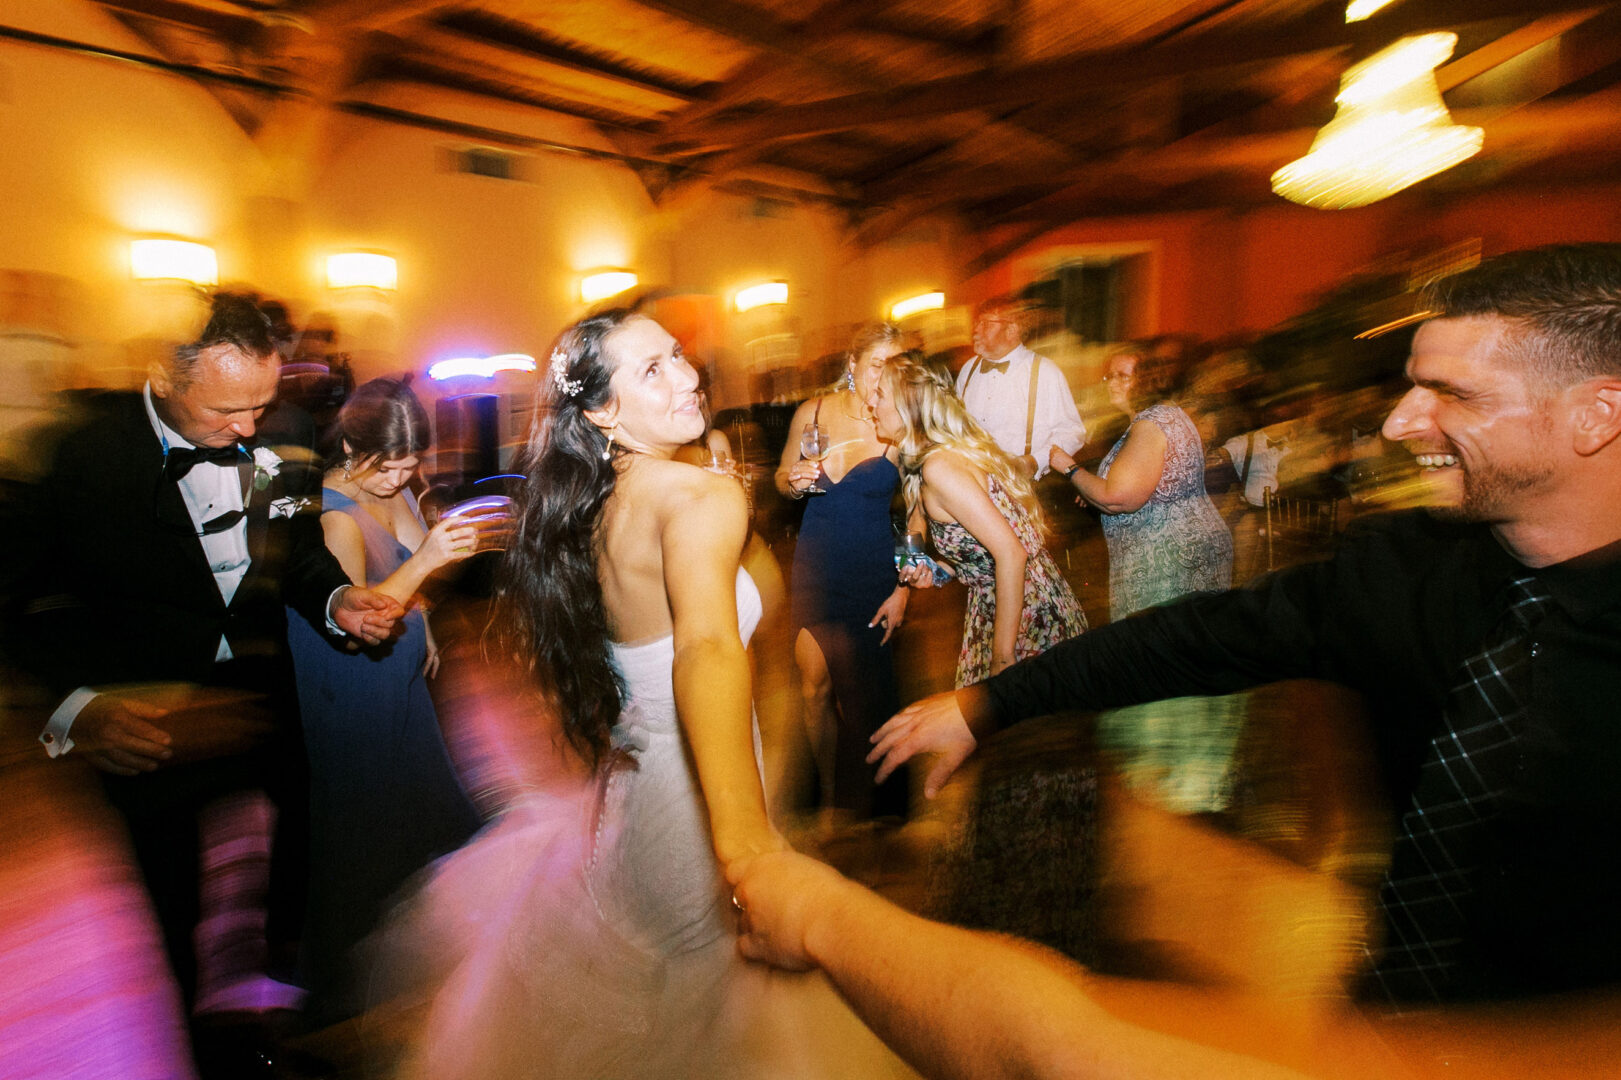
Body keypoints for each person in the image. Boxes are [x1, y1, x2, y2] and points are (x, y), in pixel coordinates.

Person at [870, 244, 1621, 1010]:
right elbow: (1199, 638)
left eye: (1451, 394)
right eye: (1409, 388)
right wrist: (991, 701)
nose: (1399, 423)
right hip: (1390, 1009)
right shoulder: (1404, 569)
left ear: (1594, 415)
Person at [373, 310, 904, 1079]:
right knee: (701, 1003)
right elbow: (707, 648)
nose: (688, 376)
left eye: (678, 357)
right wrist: (744, 838)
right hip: (692, 797)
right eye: (651, 370)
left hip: (637, 784)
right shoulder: (695, 498)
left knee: (666, 985)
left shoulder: (589, 502)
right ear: (600, 411)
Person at [0, 294, 401, 1066]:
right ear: (165, 375)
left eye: (262, 402)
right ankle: (200, 1051)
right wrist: (75, 712)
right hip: (142, 729)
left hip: (264, 705)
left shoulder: (283, 434)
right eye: (228, 408)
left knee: (296, 878)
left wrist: (336, 598)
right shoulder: (80, 458)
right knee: (176, 907)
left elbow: (297, 551)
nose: (251, 428)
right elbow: (20, 604)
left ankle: (287, 1021)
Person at [286, 377, 486, 1024]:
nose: (398, 477)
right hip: (351, 687)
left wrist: (423, 620)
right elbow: (355, 622)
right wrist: (426, 560)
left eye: (410, 463)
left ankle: (412, 964)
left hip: (399, 678)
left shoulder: (396, 486)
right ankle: (341, 993)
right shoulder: (335, 516)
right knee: (362, 831)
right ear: (348, 444)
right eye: (385, 463)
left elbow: (403, 583)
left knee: (428, 811)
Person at [871, 351, 1086, 685]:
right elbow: (922, 521)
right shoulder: (921, 456)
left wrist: (1003, 657)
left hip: (1026, 615)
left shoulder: (939, 467)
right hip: (1000, 602)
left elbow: (1012, 552)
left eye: (880, 394)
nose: (872, 402)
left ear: (907, 404)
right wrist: (915, 571)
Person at [775, 323, 910, 821]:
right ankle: (829, 787)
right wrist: (793, 482)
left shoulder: (901, 420)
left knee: (866, 692)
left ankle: (871, 802)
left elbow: (919, 511)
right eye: (877, 364)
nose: (884, 377)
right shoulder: (811, 412)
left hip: (874, 567)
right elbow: (782, 479)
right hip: (817, 560)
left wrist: (906, 588)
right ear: (852, 363)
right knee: (814, 684)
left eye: (895, 366)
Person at [1050, 343, 1232, 621]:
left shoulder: (1151, 424)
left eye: (1122, 376)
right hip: (1175, 553)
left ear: (1146, 379)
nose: (1112, 383)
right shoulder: (1162, 416)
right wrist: (1091, 488)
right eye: (1109, 376)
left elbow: (1118, 498)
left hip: (1167, 562)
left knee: (1155, 653)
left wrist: (1069, 467)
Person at [956, 296, 1087, 480]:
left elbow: (1072, 433)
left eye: (985, 324)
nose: (975, 330)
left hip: (1020, 486)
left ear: (1012, 329)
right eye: (977, 323)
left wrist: (1035, 461)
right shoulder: (969, 369)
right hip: (970, 480)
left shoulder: (1044, 372)